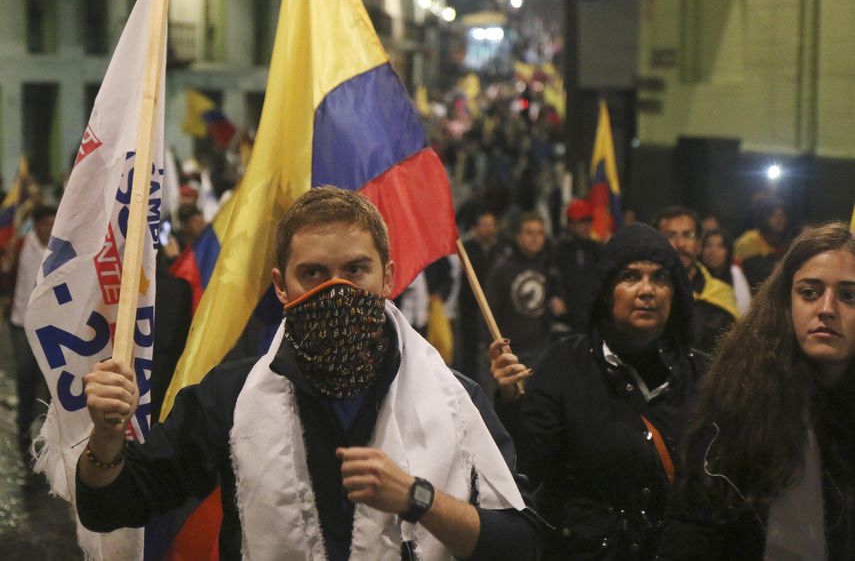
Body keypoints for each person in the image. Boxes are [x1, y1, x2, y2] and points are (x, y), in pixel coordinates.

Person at [76, 186, 541, 561]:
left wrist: (418, 499)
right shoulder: (232, 396)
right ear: (281, 286)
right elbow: (111, 505)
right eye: (314, 274)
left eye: (355, 270)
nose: (336, 290)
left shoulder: (457, 400)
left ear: (387, 277)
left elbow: (522, 543)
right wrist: (106, 435)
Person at [490, 223, 705, 560]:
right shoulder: (565, 365)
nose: (647, 290)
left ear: (675, 291)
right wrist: (511, 402)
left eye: (660, 278)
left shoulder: (702, 375)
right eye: (631, 277)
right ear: (607, 290)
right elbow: (528, 467)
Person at [657, 222, 855, 560]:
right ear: (785, 301)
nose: (826, 309)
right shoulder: (740, 405)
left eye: (849, 295)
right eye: (809, 292)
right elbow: (693, 530)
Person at [654, 206, 739, 354]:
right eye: (670, 236)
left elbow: (736, 354)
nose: (680, 244)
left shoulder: (720, 293)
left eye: (688, 235)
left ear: (699, 244)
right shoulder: (645, 294)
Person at [485, 211, 565, 366]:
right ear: (519, 236)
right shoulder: (503, 268)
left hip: (541, 345)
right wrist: (491, 345)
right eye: (529, 232)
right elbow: (489, 310)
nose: (535, 238)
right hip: (511, 348)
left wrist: (557, 302)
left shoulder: (549, 265)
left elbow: (557, 297)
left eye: (540, 233)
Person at [7, 204, 55, 457]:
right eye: (46, 223)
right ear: (36, 224)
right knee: (26, 375)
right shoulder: (20, 244)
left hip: (50, 325)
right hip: (20, 320)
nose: (50, 228)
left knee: (49, 380)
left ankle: (48, 432)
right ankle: (23, 426)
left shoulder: (60, 249)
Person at [457, 211, 510, 382]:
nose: (488, 229)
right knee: (470, 356)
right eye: (484, 224)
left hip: (496, 311)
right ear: (475, 228)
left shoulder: (503, 250)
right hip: (470, 311)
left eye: (491, 224)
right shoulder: (466, 249)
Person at [554, 199, 602, 332]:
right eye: (581, 222)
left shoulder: (598, 249)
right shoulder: (558, 250)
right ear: (570, 224)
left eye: (589, 221)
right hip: (565, 320)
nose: (586, 226)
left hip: (592, 318)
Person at [735, 198, 792, 290]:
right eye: (774, 216)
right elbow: (757, 276)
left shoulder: (785, 243)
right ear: (764, 218)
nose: (779, 220)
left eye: (782, 216)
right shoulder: (748, 242)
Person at [700, 229, 751, 314]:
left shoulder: (734, 273)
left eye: (720, 246)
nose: (713, 251)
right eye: (708, 245)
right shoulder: (695, 273)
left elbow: (745, 309)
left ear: (728, 251)